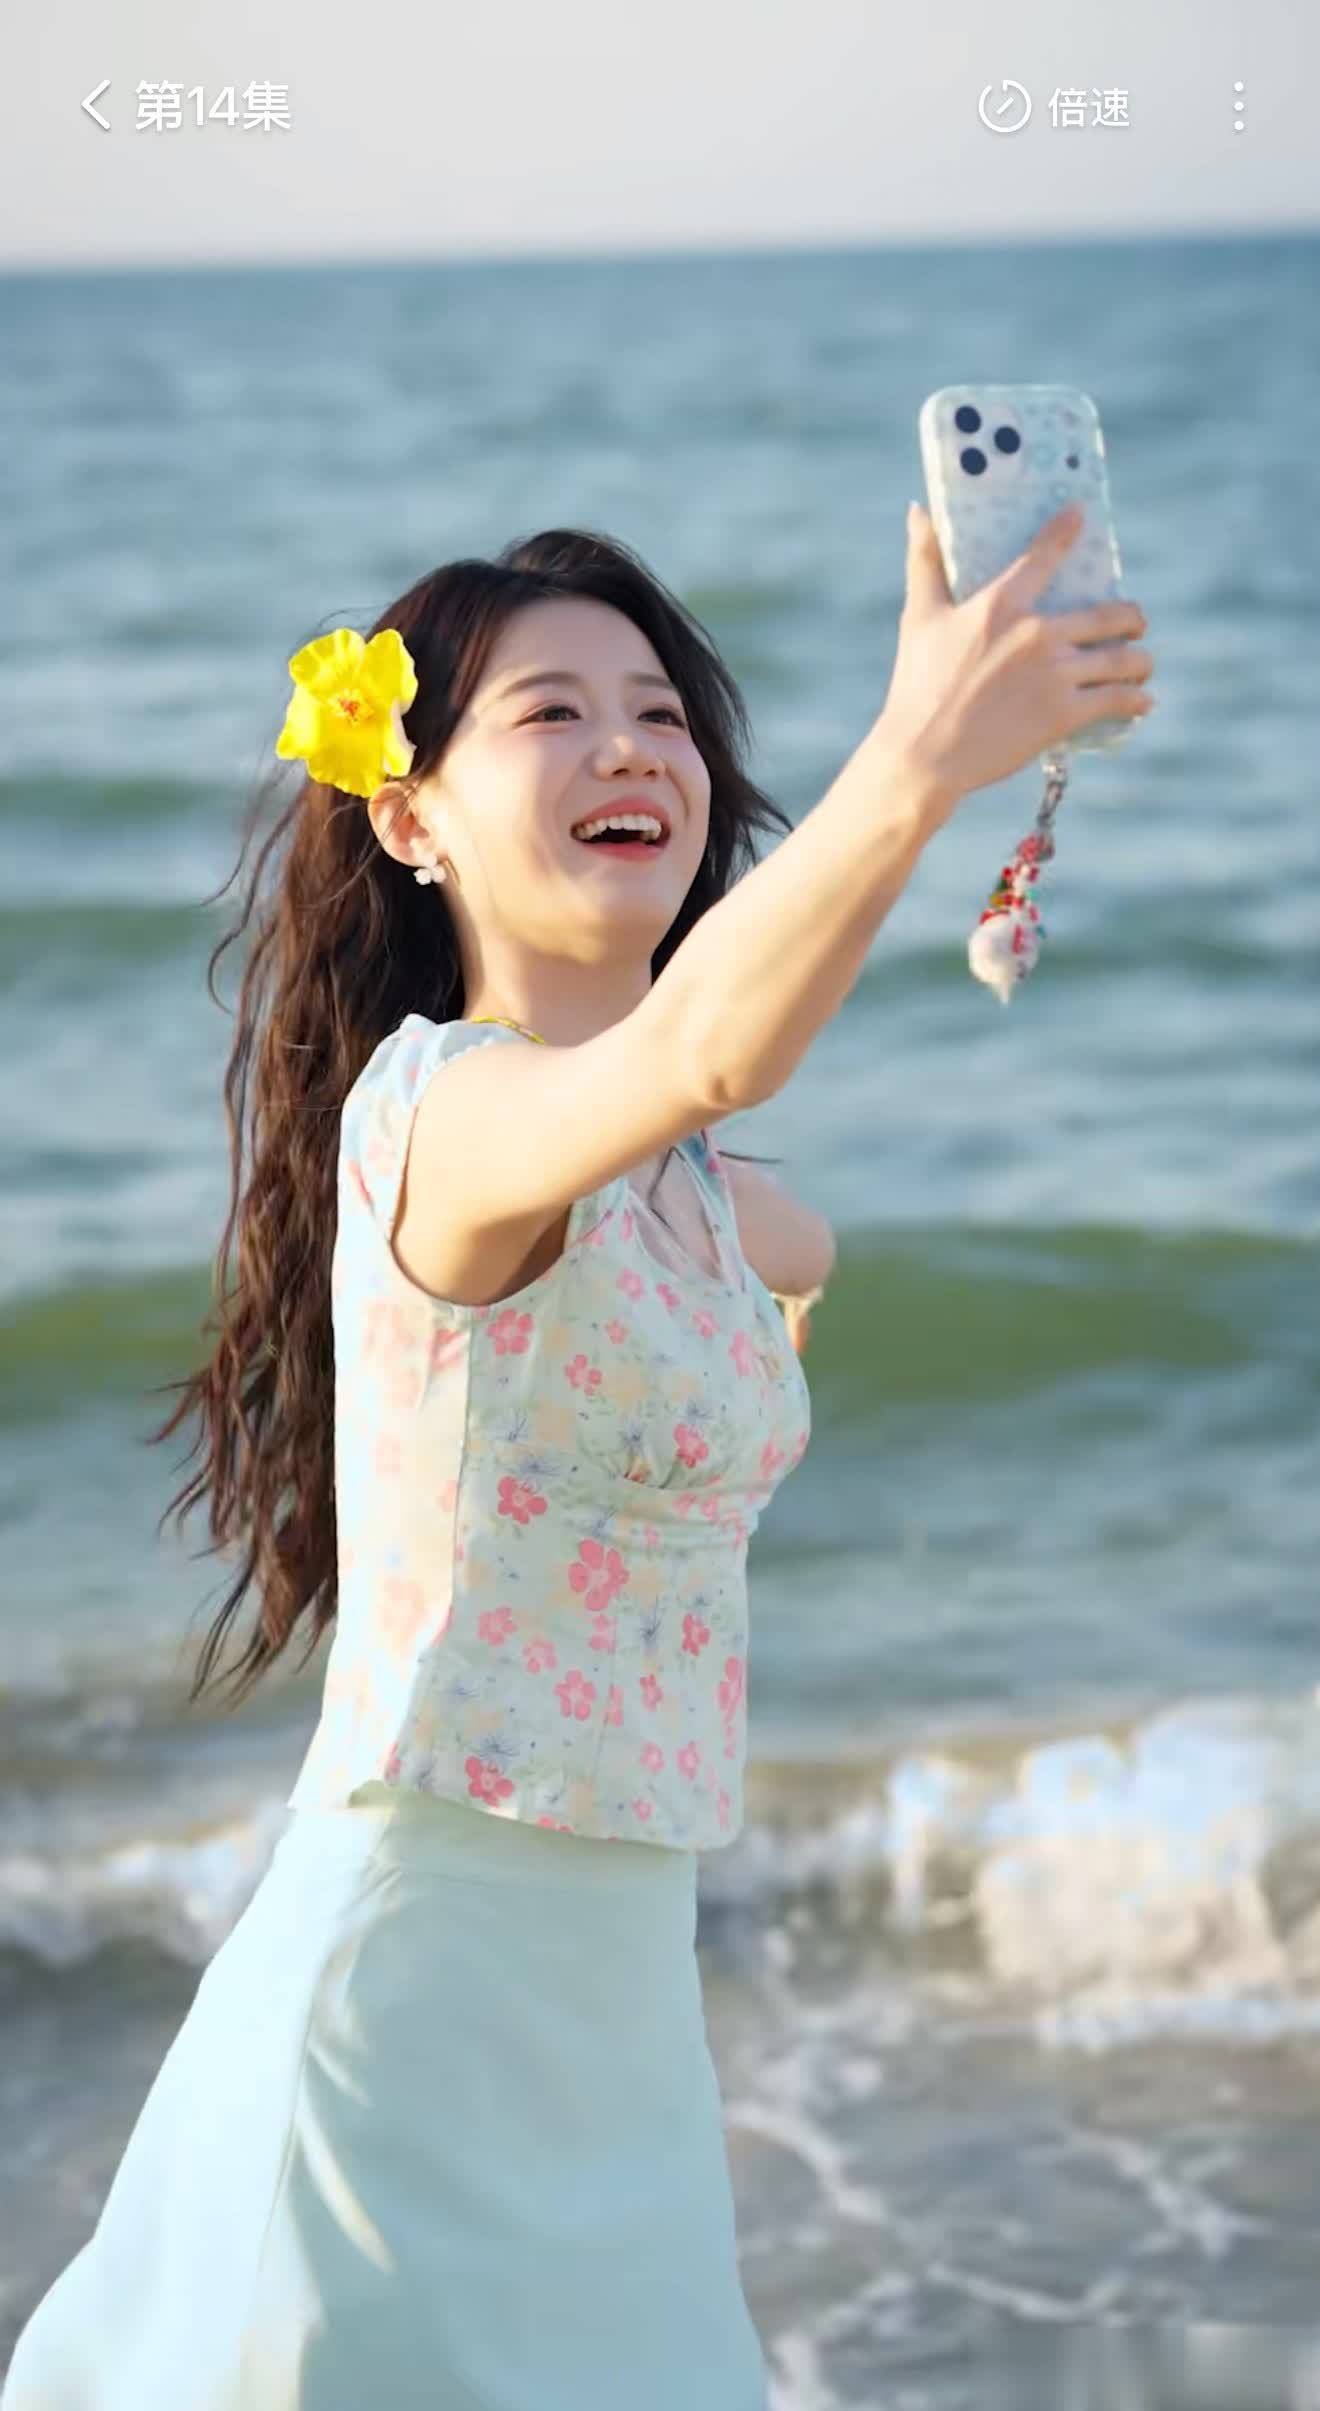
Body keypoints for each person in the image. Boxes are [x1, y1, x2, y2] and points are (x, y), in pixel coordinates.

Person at [2, 505, 1152, 2410]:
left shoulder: (713, 1199)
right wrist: (922, 758)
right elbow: (706, 1050)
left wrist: (770, 1208)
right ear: (411, 818)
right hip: (403, 2017)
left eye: (663, 715)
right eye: (553, 713)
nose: (632, 747)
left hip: (622, 2033)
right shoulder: (438, 1123)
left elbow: (735, 1151)